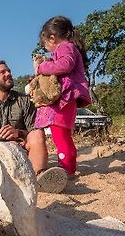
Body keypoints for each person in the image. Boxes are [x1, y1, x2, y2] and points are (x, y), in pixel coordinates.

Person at [0, 60, 68, 193]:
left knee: (38, 133)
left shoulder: (25, 100)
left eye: (9, 71)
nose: (8, 74)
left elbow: (33, 130)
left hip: (21, 155)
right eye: (3, 72)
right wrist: (0, 146)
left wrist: (18, 133)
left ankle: (39, 177)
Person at [33, 16, 91, 176]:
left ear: (52, 38)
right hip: (68, 100)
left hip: (63, 100)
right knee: (64, 136)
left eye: (45, 44)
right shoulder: (70, 48)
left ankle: (64, 170)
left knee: (60, 136)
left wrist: (43, 67)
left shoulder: (65, 47)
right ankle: (69, 168)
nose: (46, 48)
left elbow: (65, 65)